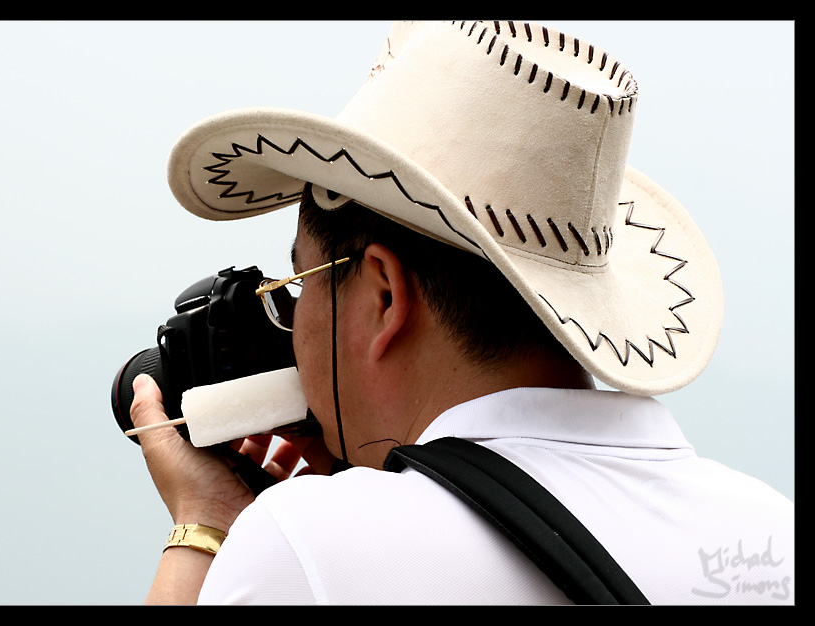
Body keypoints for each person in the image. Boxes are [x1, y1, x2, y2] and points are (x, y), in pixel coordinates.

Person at [128, 20, 794, 604]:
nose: (297, 320)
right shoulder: (769, 535)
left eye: (300, 281)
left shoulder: (310, 543)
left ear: (384, 293)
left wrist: (206, 524)